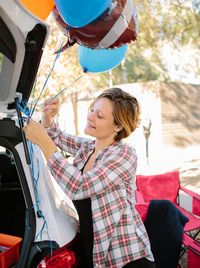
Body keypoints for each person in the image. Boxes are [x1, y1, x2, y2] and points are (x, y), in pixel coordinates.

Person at [24, 87, 155, 268]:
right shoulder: (89, 148)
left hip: (125, 257)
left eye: (100, 115)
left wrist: (43, 141)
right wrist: (47, 118)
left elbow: (80, 186)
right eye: (92, 109)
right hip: (93, 249)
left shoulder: (124, 155)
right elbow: (58, 137)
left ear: (117, 126)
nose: (91, 116)